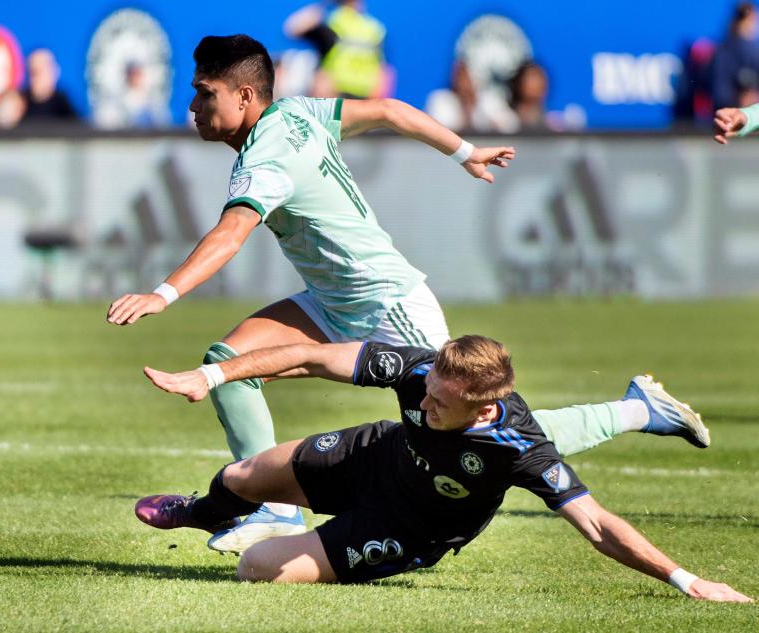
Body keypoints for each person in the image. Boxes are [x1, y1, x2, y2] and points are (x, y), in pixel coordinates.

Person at [107, 34, 515, 546]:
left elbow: (231, 234)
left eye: (205, 92)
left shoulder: (265, 161)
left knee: (474, 425)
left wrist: (161, 294)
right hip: (331, 302)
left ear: (245, 97)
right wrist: (465, 151)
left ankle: (628, 412)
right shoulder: (298, 111)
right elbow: (389, 110)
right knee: (227, 365)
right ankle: (274, 510)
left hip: (390, 307)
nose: (193, 105)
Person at [133, 335, 752, 601]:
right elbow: (316, 358)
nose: (423, 403)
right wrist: (212, 375)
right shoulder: (426, 369)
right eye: (425, 391)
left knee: (254, 568)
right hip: (375, 457)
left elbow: (596, 525)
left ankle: (312, 542)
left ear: (482, 408)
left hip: (409, 528)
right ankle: (201, 513)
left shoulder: (519, 445)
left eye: (438, 403)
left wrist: (688, 581)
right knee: (243, 477)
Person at [283, 1, 390, 98]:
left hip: (332, 95)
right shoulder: (375, 29)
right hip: (364, 97)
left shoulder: (332, 23)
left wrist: (323, 4)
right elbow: (385, 71)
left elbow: (291, 28)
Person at [712, 2, 759, 110]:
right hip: (732, 115)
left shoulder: (750, 48)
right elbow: (720, 92)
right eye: (754, 19)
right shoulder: (726, 51)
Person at [19, 49, 79, 124]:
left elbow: (77, 129)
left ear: (55, 71)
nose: (37, 76)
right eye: (33, 71)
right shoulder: (20, 103)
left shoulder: (62, 103)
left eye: (43, 68)